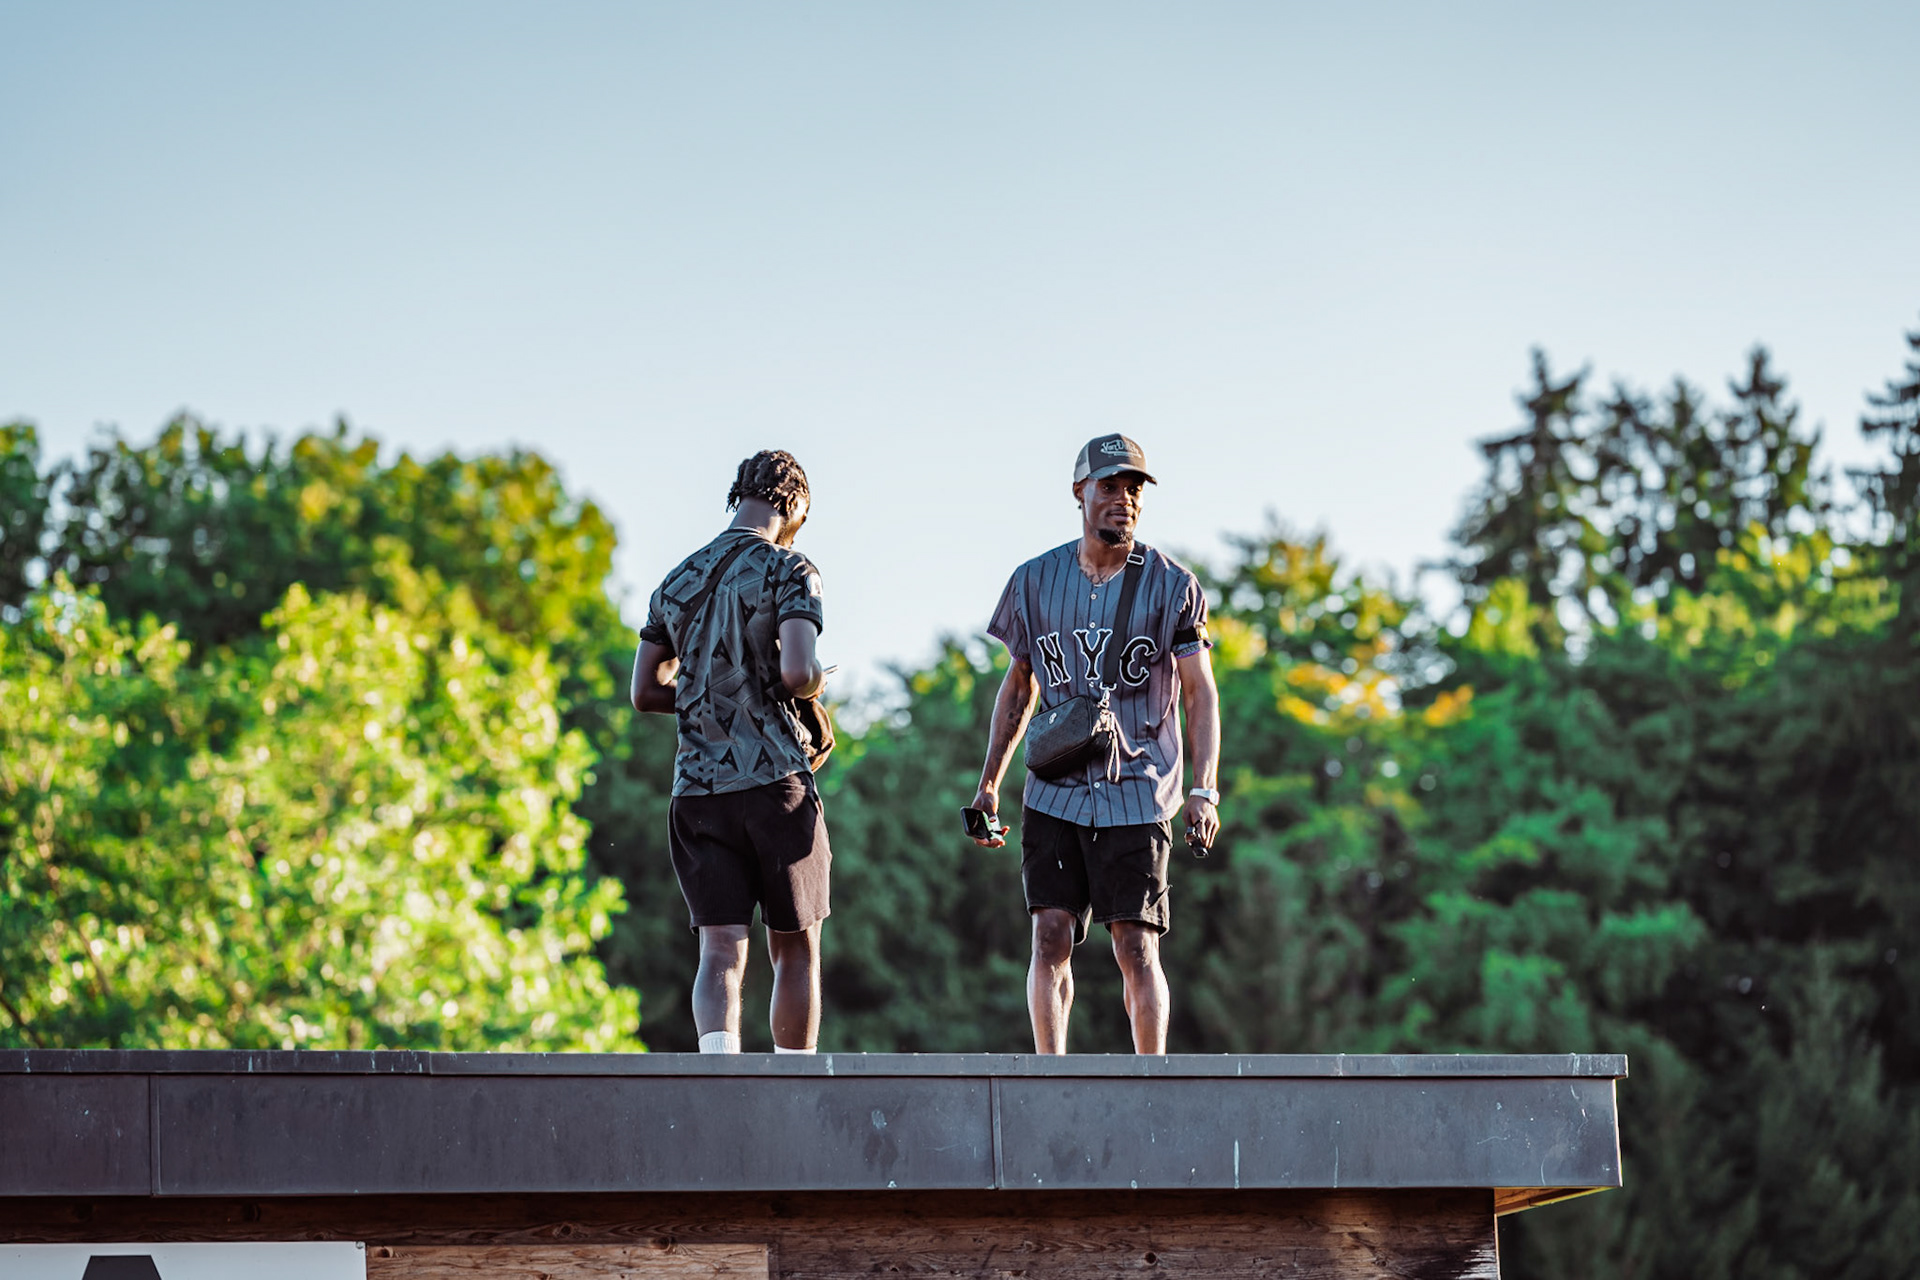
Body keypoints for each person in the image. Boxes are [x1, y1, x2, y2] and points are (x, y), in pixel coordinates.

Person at [970, 434, 1221, 1055]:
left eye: (1134, 488)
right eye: (1109, 486)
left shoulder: (1172, 585)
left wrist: (1204, 789)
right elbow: (1018, 687)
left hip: (1138, 790)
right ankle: (1049, 1078)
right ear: (1079, 491)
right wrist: (988, 785)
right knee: (1049, 935)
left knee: (1136, 941)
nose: (1124, 499)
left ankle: (1151, 1082)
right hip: (1053, 789)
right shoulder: (1032, 581)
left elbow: (1200, 694)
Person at [631, 450, 832, 1054]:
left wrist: (703, 699)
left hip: (697, 791)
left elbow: (644, 692)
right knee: (795, 945)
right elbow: (798, 672)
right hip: (775, 783)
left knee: (719, 948)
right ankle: (793, 1084)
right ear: (793, 505)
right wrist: (817, 684)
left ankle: (720, 1076)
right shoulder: (791, 569)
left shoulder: (676, 579)